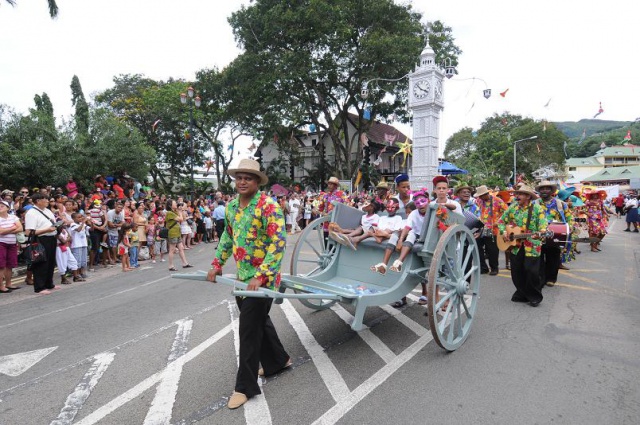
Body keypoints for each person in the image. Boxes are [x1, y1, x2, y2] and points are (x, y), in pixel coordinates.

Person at [206, 158, 290, 410]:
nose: (242, 182)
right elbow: (227, 237)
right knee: (258, 322)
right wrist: (216, 263)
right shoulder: (232, 207)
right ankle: (278, 360)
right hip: (243, 278)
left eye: (248, 178)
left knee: (248, 330)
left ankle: (245, 386)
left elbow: (278, 243)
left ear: (257, 182)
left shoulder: (268, 206)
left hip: (262, 281)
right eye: (239, 177)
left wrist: (261, 275)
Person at [497, 185, 548, 307]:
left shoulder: (537, 209)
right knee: (516, 272)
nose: (517, 196)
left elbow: (543, 227)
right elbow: (501, 222)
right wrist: (504, 231)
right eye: (517, 194)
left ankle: (535, 296)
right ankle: (522, 293)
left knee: (531, 272)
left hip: (532, 245)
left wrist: (540, 233)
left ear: (528, 196)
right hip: (515, 246)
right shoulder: (513, 208)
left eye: (520, 194)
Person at [536, 181, 572, 286]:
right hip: (538, 235)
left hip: (556, 235)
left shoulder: (560, 204)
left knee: (553, 257)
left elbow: (570, 218)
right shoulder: (534, 204)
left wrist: (569, 229)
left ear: (552, 191)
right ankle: (541, 278)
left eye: (547, 188)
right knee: (538, 258)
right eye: (542, 189)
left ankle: (551, 278)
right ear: (539, 191)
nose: (544, 191)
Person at [24, 193, 59, 294]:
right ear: (38, 201)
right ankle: (39, 287)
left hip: (51, 238)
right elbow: (28, 232)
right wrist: (47, 230)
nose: (48, 201)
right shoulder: (31, 213)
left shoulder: (47, 210)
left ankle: (49, 283)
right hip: (40, 239)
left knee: (51, 262)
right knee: (41, 262)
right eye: (45, 199)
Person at [474, 185, 508, 276]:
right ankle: (483, 267)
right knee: (477, 246)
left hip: (493, 229)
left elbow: (507, 212)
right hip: (482, 228)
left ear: (486, 193)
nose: (480, 197)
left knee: (492, 250)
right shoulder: (479, 201)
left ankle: (494, 268)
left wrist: (498, 222)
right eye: (479, 196)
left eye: (481, 195)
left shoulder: (498, 201)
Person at [0, 199, 23, 292]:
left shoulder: (13, 217)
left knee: (10, 265)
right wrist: (13, 227)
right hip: (1, 243)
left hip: (12, 243)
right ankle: (1, 286)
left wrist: (7, 230)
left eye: (2, 206)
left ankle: (8, 284)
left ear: (7, 208)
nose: (0, 207)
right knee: (1, 265)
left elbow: (20, 228)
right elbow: (1, 231)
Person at [165, 199, 192, 271]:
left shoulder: (174, 212)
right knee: (172, 249)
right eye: (174, 203)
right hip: (173, 233)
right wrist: (180, 211)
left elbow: (181, 218)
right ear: (170, 205)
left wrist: (179, 211)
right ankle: (170, 265)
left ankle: (185, 263)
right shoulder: (169, 213)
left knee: (181, 248)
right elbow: (180, 219)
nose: (176, 204)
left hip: (177, 232)